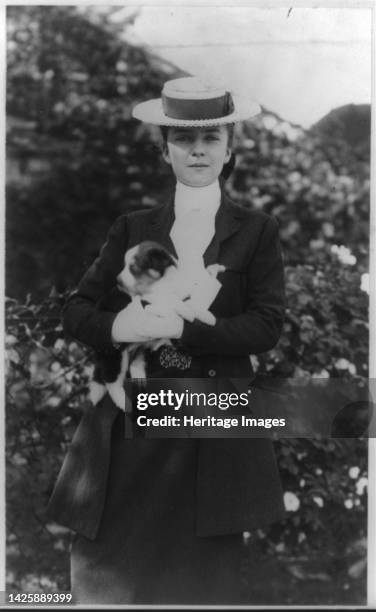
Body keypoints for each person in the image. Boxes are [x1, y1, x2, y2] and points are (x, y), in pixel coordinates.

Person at [47, 76, 286, 605]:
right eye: (183, 139)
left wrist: (185, 328)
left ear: (228, 150)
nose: (197, 149)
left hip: (211, 431)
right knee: (107, 577)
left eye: (211, 138)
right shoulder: (133, 228)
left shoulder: (258, 230)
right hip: (133, 429)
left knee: (201, 585)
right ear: (164, 150)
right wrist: (120, 327)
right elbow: (77, 311)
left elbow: (266, 326)